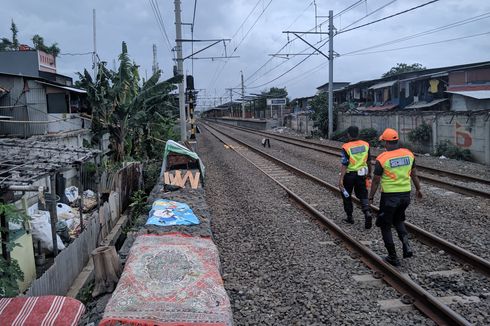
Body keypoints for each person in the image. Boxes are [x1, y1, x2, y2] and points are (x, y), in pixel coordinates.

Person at [368, 128, 423, 266]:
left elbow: (375, 181)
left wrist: (370, 197)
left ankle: (392, 256)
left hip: (390, 197)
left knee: (385, 224)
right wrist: (418, 189)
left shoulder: (382, 158)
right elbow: (414, 174)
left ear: (386, 142)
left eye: (383, 142)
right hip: (405, 195)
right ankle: (406, 245)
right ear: (396, 140)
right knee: (398, 219)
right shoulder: (409, 155)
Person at [338, 126, 372, 228]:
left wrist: (341, 179)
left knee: (346, 195)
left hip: (349, 175)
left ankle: (350, 217)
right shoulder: (366, 145)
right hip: (362, 175)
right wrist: (369, 173)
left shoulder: (346, 146)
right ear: (358, 134)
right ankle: (367, 213)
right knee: (363, 195)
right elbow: (369, 161)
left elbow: (345, 163)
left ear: (348, 134)